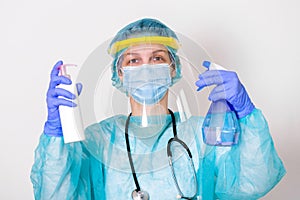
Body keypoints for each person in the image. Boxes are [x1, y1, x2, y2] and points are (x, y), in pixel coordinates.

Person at [31, 18, 286, 200]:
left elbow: (254, 183)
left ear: (173, 68)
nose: (146, 67)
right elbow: (53, 195)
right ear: (120, 73)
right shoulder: (99, 140)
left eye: (157, 58)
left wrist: (246, 114)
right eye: (134, 60)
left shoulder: (202, 135)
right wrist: (56, 134)